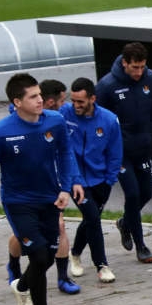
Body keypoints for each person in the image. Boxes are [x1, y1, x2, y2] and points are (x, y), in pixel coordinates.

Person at [0, 73, 83, 305]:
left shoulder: (55, 121)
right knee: (38, 255)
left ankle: (22, 286)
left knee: (46, 257)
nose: (40, 100)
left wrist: (65, 187)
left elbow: (66, 153)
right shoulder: (0, 132)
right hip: (18, 202)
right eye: (33, 97)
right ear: (17, 102)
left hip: (50, 199)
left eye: (40, 95)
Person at [5, 80, 78, 294]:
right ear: (50, 101)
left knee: (60, 227)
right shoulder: (20, 119)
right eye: (61, 101)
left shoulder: (56, 120)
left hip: (52, 186)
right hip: (25, 193)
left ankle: (63, 277)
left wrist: (73, 181)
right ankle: (14, 265)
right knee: (22, 235)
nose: (64, 105)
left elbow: (66, 152)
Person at [95, 41, 152, 264]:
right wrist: (108, 146)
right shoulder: (107, 85)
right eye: (135, 67)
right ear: (124, 63)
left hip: (143, 147)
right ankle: (141, 245)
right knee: (132, 195)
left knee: (146, 194)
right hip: (120, 152)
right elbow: (98, 118)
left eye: (142, 67)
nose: (139, 72)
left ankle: (125, 223)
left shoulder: (151, 79)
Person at [61, 77, 122, 285]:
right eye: (73, 100)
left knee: (90, 219)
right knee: (93, 218)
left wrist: (110, 180)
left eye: (80, 101)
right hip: (75, 181)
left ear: (92, 99)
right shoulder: (64, 114)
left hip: (101, 181)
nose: (75, 105)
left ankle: (75, 253)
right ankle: (101, 265)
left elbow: (115, 152)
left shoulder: (109, 120)